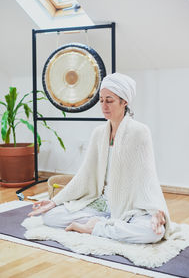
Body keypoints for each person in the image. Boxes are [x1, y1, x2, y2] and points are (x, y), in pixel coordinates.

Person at [28, 72, 170, 244]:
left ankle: (95, 228)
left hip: (129, 206)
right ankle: (107, 225)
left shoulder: (140, 132)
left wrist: (157, 210)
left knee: (153, 232)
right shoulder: (98, 134)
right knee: (50, 217)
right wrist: (55, 201)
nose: (104, 106)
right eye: (101, 100)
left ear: (124, 102)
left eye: (109, 100)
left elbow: (148, 178)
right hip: (101, 204)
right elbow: (85, 175)